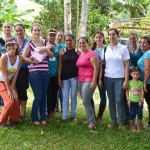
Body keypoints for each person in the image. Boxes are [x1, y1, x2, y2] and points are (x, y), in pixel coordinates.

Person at [22, 24, 53, 126]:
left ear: (41, 31)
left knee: (44, 96)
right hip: (34, 73)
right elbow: (23, 58)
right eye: (34, 30)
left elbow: (51, 55)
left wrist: (45, 49)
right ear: (32, 32)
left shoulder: (45, 42)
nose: (36, 32)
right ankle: (34, 118)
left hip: (46, 72)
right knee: (38, 96)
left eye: (38, 30)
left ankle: (43, 118)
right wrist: (32, 61)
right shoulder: (29, 44)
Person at [101, 28, 130, 129]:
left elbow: (126, 65)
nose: (111, 36)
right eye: (109, 35)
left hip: (119, 78)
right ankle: (113, 120)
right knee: (111, 100)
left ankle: (121, 121)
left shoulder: (123, 48)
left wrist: (126, 80)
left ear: (117, 36)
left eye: (113, 34)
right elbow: (102, 63)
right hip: (108, 77)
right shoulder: (106, 48)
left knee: (119, 99)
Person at [76, 36, 99, 129]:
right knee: (86, 100)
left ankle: (92, 122)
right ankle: (89, 119)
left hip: (89, 80)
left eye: (83, 43)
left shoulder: (92, 54)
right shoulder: (80, 54)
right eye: (80, 43)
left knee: (86, 100)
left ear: (87, 43)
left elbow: (96, 68)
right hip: (80, 80)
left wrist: (94, 81)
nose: (82, 45)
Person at [0, 38, 22, 128]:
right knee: (9, 101)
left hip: (11, 81)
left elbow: (16, 74)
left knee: (15, 99)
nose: (11, 47)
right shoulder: (4, 57)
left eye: (13, 45)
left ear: (16, 46)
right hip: (1, 81)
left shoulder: (19, 58)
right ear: (6, 47)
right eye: (8, 45)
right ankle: (1, 123)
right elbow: (5, 75)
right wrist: (9, 90)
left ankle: (13, 120)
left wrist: (12, 88)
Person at [58, 34, 78, 121]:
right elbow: (60, 65)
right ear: (64, 41)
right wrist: (59, 77)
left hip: (75, 77)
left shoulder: (78, 52)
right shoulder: (62, 52)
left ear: (73, 40)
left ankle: (73, 115)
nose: (68, 42)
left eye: (70, 40)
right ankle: (64, 116)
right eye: (66, 40)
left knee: (73, 96)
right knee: (65, 97)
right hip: (65, 78)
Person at [14, 23, 29, 119]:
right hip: (14, 70)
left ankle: (23, 112)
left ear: (24, 30)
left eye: (21, 30)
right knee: (15, 90)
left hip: (24, 69)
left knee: (22, 90)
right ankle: (16, 111)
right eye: (17, 30)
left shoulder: (29, 42)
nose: (19, 32)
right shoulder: (13, 41)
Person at [91, 30, 107, 122]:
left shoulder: (107, 48)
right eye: (96, 37)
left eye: (100, 37)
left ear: (103, 38)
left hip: (103, 75)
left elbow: (104, 63)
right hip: (93, 75)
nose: (98, 39)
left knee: (102, 96)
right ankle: (92, 114)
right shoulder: (92, 49)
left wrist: (100, 79)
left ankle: (100, 115)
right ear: (94, 38)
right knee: (89, 95)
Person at [46, 29, 60, 118]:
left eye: (53, 35)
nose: (52, 37)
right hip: (46, 74)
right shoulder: (44, 46)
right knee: (48, 93)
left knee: (55, 93)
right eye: (50, 35)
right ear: (47, 36)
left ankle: (52, 110)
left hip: (55, 74)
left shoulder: (59, 47)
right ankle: (47, 111)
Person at [137, 36, 150, 129]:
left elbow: (147, 69)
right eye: (141, 42)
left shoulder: (147, 54)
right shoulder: (145, 53)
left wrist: (144, 82)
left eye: (144, 42)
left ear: (149, 44)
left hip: (148, 83)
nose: (142, 44)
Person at [126, 67, 144, 132]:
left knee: (139, 114)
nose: (136, 75)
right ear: (131, 74)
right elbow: (127, 91)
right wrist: (128, 100)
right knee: (132, 114)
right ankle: (132, 125)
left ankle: (139, 126)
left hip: (139, 102)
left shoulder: (140, 83)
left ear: (139, 75)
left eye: (137, 74)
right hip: (132, 102)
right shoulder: (129, 82)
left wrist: (141, 100)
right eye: (134, 74)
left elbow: (142, 92)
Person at [55, 30, 66, 112]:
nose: (59, 37)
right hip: (53, 71)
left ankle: (63, 107)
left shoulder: (65, 47)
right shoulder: (52, 45)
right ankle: (55, 107)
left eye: (61, 36)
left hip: (62, 71)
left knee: (62, 91)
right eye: (58, 35)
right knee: (55, 90)